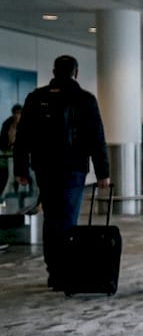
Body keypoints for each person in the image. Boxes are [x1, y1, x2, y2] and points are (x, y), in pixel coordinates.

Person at [12, 55, 111, 290]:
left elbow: (22, 137)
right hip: (73, 168)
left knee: (52, 218)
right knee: (67, 218)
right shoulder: (85, 99)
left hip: (44, 167)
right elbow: (97, 138)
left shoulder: (36, 98)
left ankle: (54, 271)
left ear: (54, 71)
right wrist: (103, 172)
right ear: (75, 73)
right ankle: (63, 271)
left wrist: (20, 169)